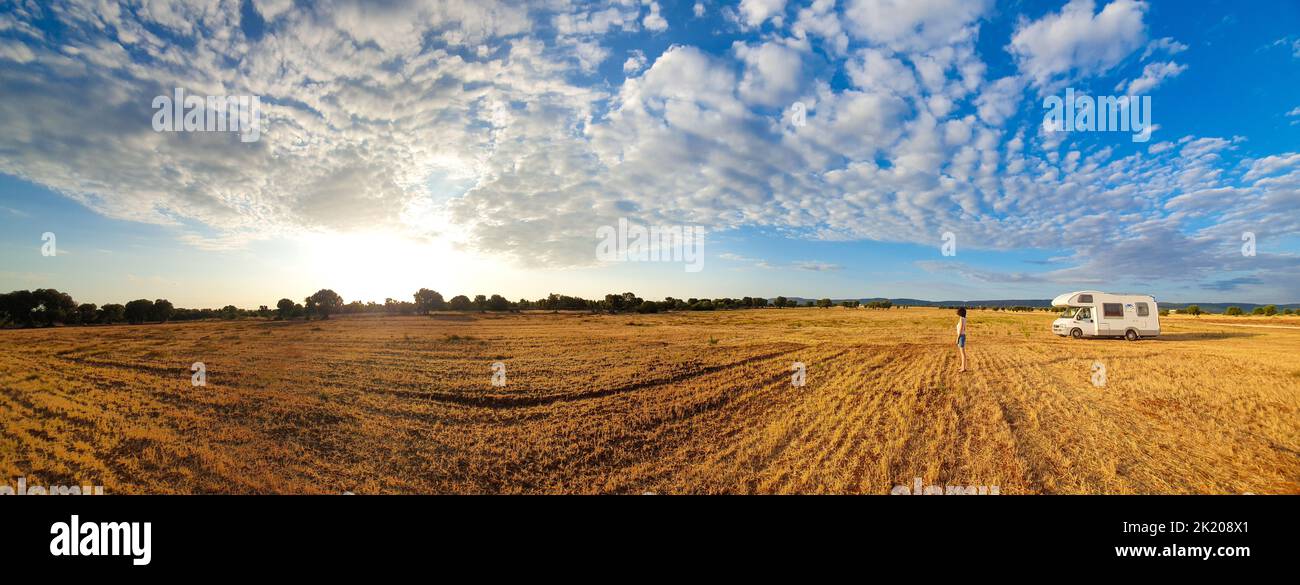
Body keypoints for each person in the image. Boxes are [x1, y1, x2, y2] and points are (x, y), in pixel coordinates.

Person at [955, 307, 967, 372]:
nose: (957, 311)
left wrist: (958, 338)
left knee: (962, 353)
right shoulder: (964, 318)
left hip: (961, 336)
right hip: (963, 335)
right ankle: (962, 366)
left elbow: (961, 329)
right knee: (962, 353)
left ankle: (963, 368)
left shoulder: (961, 319)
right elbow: (964, 329)